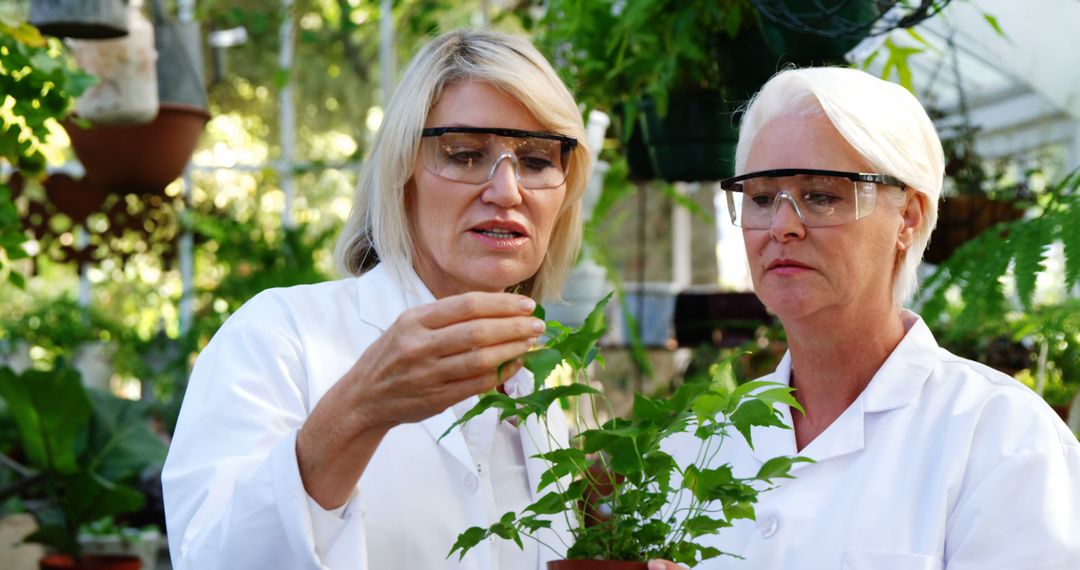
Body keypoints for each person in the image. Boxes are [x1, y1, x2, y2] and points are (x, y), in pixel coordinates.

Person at [162, 29, 592, 570]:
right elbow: (211, 561)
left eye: (535, 161)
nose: (507, 191)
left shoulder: (550, 384)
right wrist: (359, 409)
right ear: (401, 173)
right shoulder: (279, 336)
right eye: (464, 155)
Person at [650, 67, 1080, 570]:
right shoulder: (697, 445)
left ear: (909, 217)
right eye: (762, 198)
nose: (782, 226)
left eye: (822, 195)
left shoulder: (1000, 439)